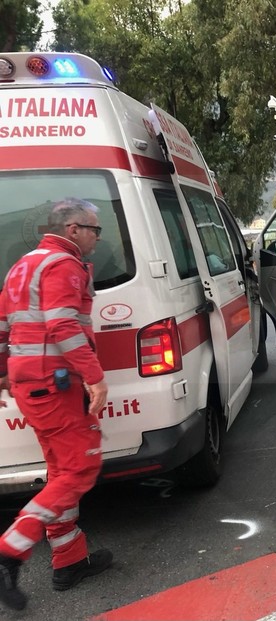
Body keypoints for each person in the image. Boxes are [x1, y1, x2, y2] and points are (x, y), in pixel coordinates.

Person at [0, 198, 112, 611]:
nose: (97, 236)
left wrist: (2, 373)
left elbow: (2, 324)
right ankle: (9, 550)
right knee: (81, 467)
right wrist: (95, 376)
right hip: (55, 384)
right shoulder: (63, 265)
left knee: (61, 471)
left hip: (30, 385)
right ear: (72, 230)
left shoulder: (22, 266)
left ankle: (68, 560)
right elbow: (63, 325)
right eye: (94, 229)